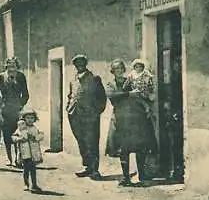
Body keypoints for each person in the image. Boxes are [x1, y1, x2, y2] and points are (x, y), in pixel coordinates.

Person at [105, 59, 157, 187]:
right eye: (117, 70)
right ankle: (125, 176)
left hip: (135, 118)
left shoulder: (130, 80)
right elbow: (113, 96)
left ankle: (142, 174)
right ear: (113, 71)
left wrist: (146, 106)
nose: (119, 72)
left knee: (140, 147)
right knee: (124, 148)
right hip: (120, 119)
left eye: (121, 69)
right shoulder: (110, 84)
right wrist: (129, 94)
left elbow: (139, 93)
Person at [66, 54, 107, 180]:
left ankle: (94, 169)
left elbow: (102, 98)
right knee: (81, 141)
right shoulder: (73, 80)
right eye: (77, 63)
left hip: (90, 117)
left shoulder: (94, 78)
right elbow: (70, 95)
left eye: (81, 62)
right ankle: (87, 167)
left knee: (92, 142)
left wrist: (96, 113)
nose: (79, 65)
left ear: (85, 63)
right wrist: (68, 107)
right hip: (75, 116)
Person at [0, 57, 30, 168]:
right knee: (6, 135)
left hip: (17, 111)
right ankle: (9, 158)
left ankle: (17, 158)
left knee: (17, 135)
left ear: (17, 66)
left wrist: (21, 105)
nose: (11, 68)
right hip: (5, 110)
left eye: (14, 66)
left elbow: (25, 94)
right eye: (9, 66)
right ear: (6, 66)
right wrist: (0, 106)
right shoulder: (1, 77)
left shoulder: (21, 76)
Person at [11, 106, 44, 193]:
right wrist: (20, 139)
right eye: (28, 118)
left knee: (33, 170)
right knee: (26, 170)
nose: (30, 120)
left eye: (32, 118)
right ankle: (26, 184)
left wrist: (35, 137)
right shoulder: (21, 128)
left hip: (33, 153)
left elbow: (41, 135)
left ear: (35, 119)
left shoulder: (35, 128)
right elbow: (14, 137)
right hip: (25, 153)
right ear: (24, 118)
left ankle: (34, 184)